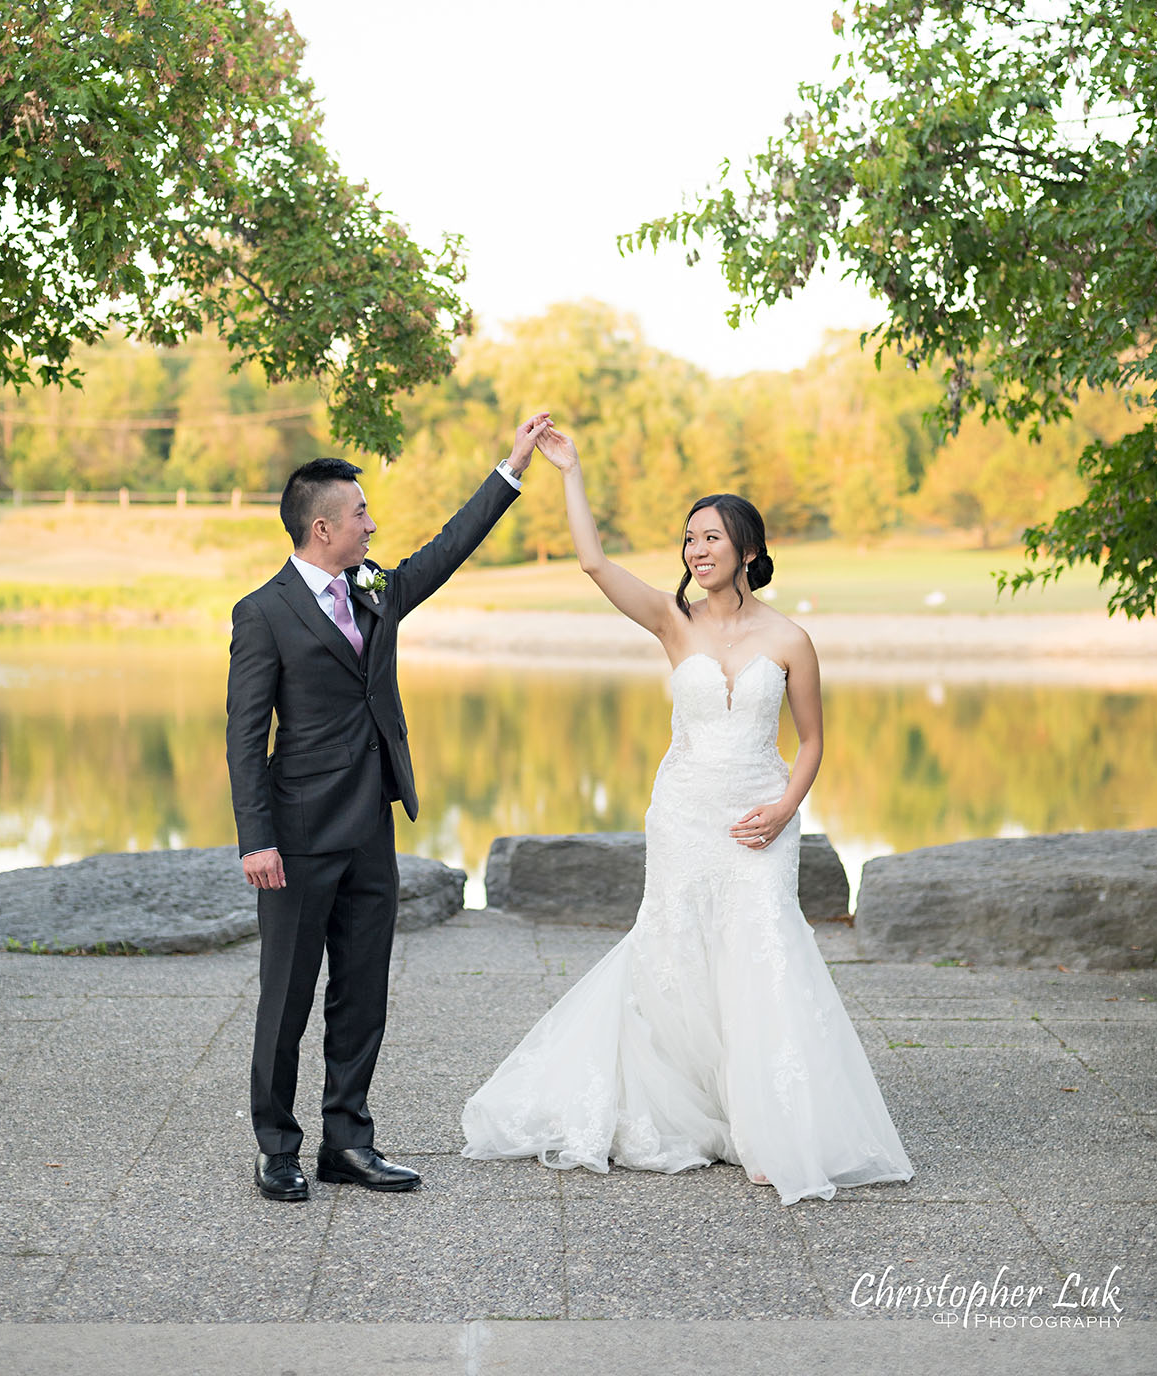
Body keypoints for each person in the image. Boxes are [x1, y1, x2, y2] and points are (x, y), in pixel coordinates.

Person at [461, 424, 915, 1204]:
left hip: (758, 819)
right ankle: (693, 1107)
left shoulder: (790, 639)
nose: (694, 551)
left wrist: (781, 810)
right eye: (687, 540)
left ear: (745, 549)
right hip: (683, 813)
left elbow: (810, 743)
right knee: (677, 956)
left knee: (760, 953)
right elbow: (594, 563)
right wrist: (568, 472)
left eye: (709, 538)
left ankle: (765, 1126)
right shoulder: (674, 624)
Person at [228, 414, 550, 1202]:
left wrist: (510, 468)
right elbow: (243, 735)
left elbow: (446, 548)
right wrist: (256, 840)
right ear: (323, 526)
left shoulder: (373, 591)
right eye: (362, 514)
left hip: (371, 826)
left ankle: (348, 1143)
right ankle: (277, 1148)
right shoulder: (262, 612)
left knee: (362, 993)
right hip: (298, 840)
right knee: (286, 998)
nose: (374, 524)